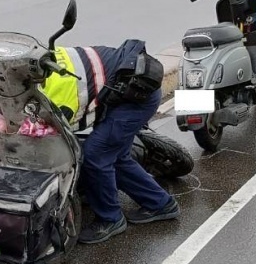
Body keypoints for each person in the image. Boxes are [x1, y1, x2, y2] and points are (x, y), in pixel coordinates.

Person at [43, 41, 179, 244]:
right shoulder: (45, 59)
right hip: (129, 88)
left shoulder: (57, 96)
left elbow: (63, 133)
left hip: (136, 98)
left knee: (95, 155)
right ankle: (160, 204)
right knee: (116, 156)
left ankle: (110, 219)